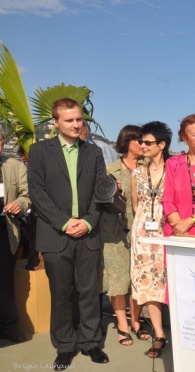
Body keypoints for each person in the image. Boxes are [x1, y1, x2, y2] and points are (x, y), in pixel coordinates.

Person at [28, 98, 109, 371]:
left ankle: (90, 342)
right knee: (61, 294)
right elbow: (37, 193)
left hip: (88, 234)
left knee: (89, 292)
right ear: (55, 122)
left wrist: (88, 221)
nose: (76, 124)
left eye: (79, 119)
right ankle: (64, 346)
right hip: (55, 235)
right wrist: (64, 222)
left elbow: (102, 192)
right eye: (69, 120)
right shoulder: (39, 151)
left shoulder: (93, 153)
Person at [130, 121, 172, 358]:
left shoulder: (175, 168)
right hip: (143, 233)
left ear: (162, 144)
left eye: (147, 142)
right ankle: (159, 333)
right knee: (148, 283)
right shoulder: (137, 172)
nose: (142, 146)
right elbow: (136, 205)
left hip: (168, 230)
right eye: (141, 142)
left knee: (168, 280)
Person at [99, 125, 143, 346]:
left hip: (143, 231)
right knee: (118, 279)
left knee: (138, 279)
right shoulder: (110, 170)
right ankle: (122, 324)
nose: (143, 145)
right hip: (114, 232)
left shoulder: (149, 168)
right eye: (138, 140)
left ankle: (136, 320)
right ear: (127, 142)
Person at [0, 129, 30, 344]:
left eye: (0, 139)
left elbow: (26, 195)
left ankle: (9, 325)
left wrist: (18, 204)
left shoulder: (15, 166)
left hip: (4, 228)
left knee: (4, 281)